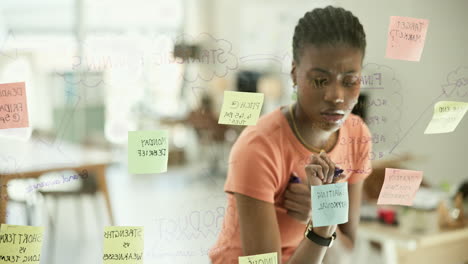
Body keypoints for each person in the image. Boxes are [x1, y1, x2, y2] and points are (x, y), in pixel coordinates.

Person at [209, 6, 372, 264]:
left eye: (350, 81)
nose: (336, 96)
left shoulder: (357, 134)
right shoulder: (258, 148)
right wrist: (321, 227)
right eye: (320, 80)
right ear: (295, 74)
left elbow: (348, 248)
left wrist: (321, 213)